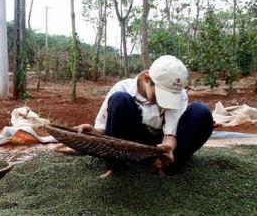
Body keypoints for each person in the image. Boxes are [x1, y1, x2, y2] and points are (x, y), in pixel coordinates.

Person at [76, 55, 213, 176]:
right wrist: (92, 132)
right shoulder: (122, 88)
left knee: (201, 113)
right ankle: (116, 167)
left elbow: (170, 134)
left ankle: (164, 165)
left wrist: (168, 148)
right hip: (130, 142)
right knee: (120, 99)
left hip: (159, 144)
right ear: (147, 79)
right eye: (160, 95)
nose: (161, 101)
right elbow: (107, 129)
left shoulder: (179, 94)